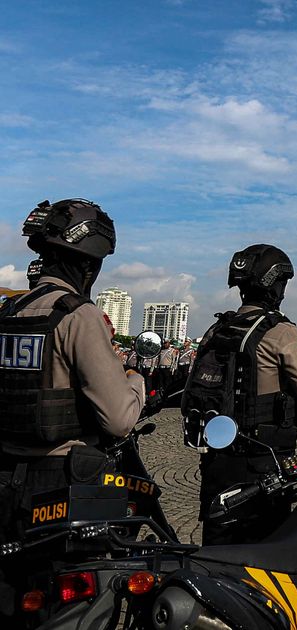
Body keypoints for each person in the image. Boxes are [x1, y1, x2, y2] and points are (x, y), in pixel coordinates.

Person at [1, 199, 145, 617]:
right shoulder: (78, 316)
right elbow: (118, 418)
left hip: (6, 473)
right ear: (89, 265)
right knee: (75, 605)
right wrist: (136, 382)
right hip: (59, 483)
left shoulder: (11, 312)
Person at [185, 244, 297, 545]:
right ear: (276, 286)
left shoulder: (215, 330)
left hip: (216, 463)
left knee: (217, 546)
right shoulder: (281, 333)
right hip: (264, 464)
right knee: (263, 555)